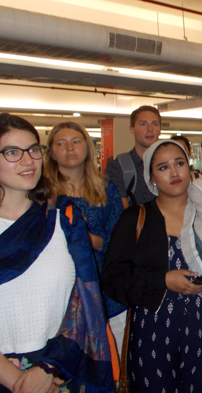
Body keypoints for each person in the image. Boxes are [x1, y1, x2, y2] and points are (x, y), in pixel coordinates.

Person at [0, 113, 113, 392]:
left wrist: (46, 370)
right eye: (12, 152)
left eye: (33, 149)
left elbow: (84, 304)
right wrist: (19, 381)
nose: (28, 160)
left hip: (57, 371)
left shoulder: (64, 220)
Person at [102, 139, 202, 392]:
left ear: (189, 168)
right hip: (153, 330)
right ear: (151, 177)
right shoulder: (135, 218)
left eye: (179, 164)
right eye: (163, 167)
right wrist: (163, 281)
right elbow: (112, 279)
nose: (174, 173)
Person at [45, 121, 126, 354]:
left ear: (88, 148)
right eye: (61, 143)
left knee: (115, 361)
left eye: (76, 141)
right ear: (51, 152)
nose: (70, 148)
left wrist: (86, 240)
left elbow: (119, 240)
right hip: (60, 293)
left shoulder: (105, 189)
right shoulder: (42, 193)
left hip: (106, 290)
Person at [105, 105, 161, 208]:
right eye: (143, 124)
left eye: (155, 124)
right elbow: (120, 213)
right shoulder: (118, 167)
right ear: (132, 130)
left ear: (160, 130)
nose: (150, 129)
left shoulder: (169, 165)